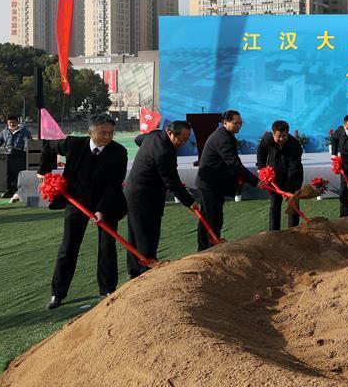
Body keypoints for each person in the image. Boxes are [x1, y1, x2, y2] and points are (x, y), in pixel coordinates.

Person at [38, 114, 128, 309]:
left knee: (107, 246)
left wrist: (102, 210)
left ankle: (107, 290)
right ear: (90, 132)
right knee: (68, 247)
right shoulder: (73, 144)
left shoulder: (119, 152)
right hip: (77, 201)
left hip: (107, 203)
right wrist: (43, 171)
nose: (107, 137)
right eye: (102, 133)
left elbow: (114, 185)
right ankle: (57, 294)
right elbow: (49, 147)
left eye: (110, 133)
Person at [125, 120, 195, 278]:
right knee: (145, 234)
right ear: (170, 133)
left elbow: (138, 139)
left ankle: (135, 271)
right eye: (181, 139)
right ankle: (146, 271)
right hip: (144, 195)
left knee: (137, 233)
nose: (183, 143)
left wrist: (148, 152)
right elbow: (172, 181)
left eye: (186, 140)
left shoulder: (154, 135)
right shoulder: (164, 152)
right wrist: (190, 202)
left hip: (136, 191)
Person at [195, 109, 258, 249]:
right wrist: (255, 181)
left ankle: (208, 245)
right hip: (209, 184)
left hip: (215, 183)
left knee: (214, 216)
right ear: (225, 122)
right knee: (211, 217)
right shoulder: (223, 138)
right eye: (236, 123)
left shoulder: (227, 136)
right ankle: (207, 248)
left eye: (241, 123)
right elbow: (234, 164)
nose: (239, 126)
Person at [256, 120, 304, 229]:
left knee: (293, 205)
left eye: (284, 136)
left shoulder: (294, 144)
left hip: (293, 177)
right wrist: (261, 168)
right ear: (273, 134)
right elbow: (261, 152)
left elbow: (294, 168)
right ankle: (274, 232)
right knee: (274, 205)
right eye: (279, 137)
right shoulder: (267, 138)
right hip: (274, 177)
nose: (281, 139)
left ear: (288, 133)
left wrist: (287, 190)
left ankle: (293, 231)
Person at [0, 115, 32, 199]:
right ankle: (9, 191)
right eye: (10, 123)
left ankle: (20, 191)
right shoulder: (5, 131)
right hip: (7, 157)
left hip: (20, 156)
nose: (11, 124)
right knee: (8, 174)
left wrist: (25, 149)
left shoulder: (24, 131)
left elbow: (28, 143)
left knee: (19, 174)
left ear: (17, 122)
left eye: (13, 122)